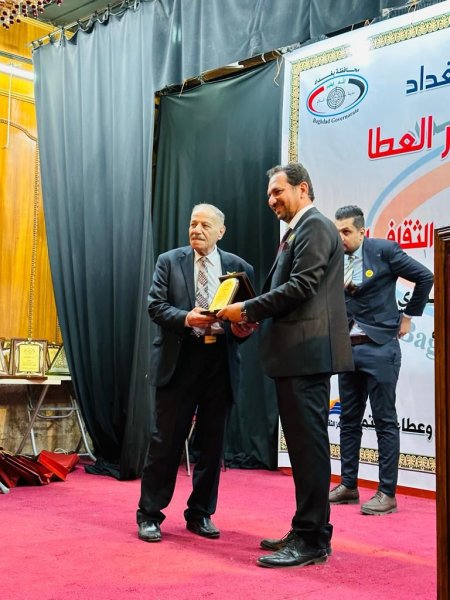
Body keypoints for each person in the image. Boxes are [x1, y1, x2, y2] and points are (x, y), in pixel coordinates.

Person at [217, 163, 353, 568]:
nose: (271, 200)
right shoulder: (297, 230)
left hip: (307, 355)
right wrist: (253, 318)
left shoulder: (315, 226)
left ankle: (312, 541)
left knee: (309, 448)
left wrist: (245, 309)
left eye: (278, 191)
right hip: (296, 356)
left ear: (303, 188)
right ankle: (306, 528)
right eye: (269, 194)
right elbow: (289, 292)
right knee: (303, 448)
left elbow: (301, 287)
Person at [137, 203, 255, 542]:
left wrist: (243, 330)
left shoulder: (240, 268)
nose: (197, 230)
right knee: (165, 441)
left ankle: (201, 513)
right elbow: (155, 306)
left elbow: (246, 316)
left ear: (221, 232)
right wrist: (186, 318)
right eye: (193, 223)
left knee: (211, 444)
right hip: (180, 360)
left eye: (205, 225)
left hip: (220, 363)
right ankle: (150, 514)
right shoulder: (169, 261)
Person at [330, 205, 434, 515]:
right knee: (349, 420)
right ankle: (348, 485)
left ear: (362, 231)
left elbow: (424, 276)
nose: (341, 237)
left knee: (384, 421)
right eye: (337, 232)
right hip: (347, 348)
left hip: (380, 348)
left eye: (347, 232)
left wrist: (409, 316)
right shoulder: (334, 257)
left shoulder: (384, 251)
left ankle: (387, 493)